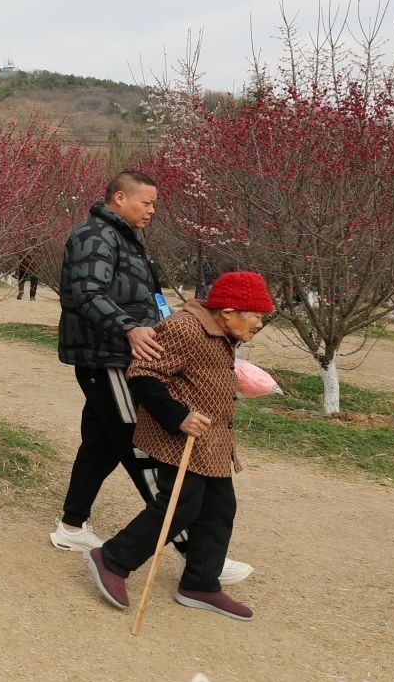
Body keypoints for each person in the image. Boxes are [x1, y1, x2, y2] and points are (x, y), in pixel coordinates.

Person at [51, 170, 253, 584]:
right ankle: (195, 551)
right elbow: (86, 292)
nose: (153, 210)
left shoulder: (124, 237)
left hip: (117, 353)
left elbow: (143, 296)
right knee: (143, 450)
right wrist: (129, 327)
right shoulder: (95, 236)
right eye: (147, 202)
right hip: (111, 358)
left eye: (155, 204)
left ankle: (71, 527)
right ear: (120, 197)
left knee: (101, 445)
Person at [84, 272, 275, 622]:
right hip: (179, 438)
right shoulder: (185, 329)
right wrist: (178, 416)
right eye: (257, 316)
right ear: (229, 311)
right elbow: (143, 374)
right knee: (178, 506)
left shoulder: (222, 332)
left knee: (219, 508)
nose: (261, 323)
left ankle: (200, 583)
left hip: (213, 441)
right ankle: (112, 559)